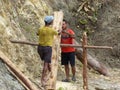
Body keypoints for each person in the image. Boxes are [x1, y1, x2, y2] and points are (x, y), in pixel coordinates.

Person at [37, 16, 59, 86]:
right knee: (45, 64)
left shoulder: (41, 29)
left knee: (47, 61)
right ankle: (43, 81)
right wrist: (60, 31)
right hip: (47, 48)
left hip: (40, 48)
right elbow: (58, 33)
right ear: (50, 22)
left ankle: (51, 74)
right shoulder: (51, 30)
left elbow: (37, 33)